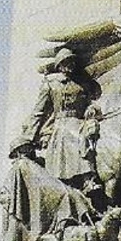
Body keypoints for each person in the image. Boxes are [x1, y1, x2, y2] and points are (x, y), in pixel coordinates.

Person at [19, 46, 96, 187]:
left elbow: (90, 103)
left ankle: (91, 179)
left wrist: (91, 109)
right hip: (62, 125)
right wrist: (28, 137)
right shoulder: (51, 84)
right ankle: (86, 179)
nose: (71, 65)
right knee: (73, 136)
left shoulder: (82, 85)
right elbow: (39, 111)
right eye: (67, 62)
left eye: (72, 62)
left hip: (80, 121)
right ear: (59, 65)